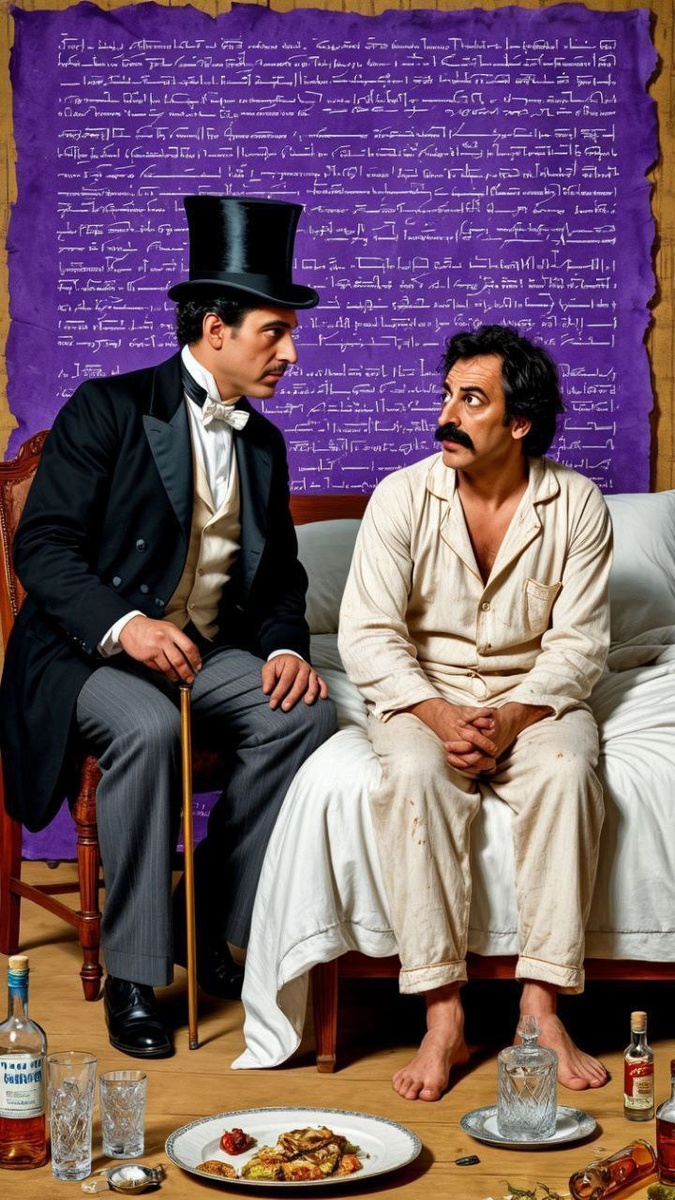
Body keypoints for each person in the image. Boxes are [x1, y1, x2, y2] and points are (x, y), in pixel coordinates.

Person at [0, 195, 337, 1058]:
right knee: (148, 727)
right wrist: (127, 626)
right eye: (275, 333)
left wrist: (286, 646)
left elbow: (280, 579)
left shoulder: (263, 444)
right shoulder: (107, 407)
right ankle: (135, 975)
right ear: (216, 329)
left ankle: (207, 917)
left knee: (302, 715)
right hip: (83, 656)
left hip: (204, 650)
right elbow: (43, 548)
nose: (291, 353)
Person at [338, 323, 612, 1102]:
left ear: (518, 422)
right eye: (446, 396)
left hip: (533, 696)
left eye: (470, 400)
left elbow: (580, 644)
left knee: (566, 770)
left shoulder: (575, 504)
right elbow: (367, 634)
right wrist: (434, 713)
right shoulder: (401, 497)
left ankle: (540, 1008)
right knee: (413, 777)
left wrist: (513, 719)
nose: (445, 416)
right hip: (422, 691)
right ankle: (442, 1014)